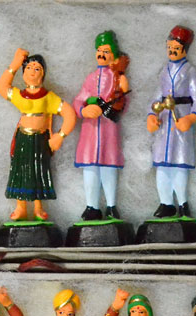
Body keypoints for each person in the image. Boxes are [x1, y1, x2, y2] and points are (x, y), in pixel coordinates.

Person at [0, 49, 76, 221]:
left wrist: (60, 135)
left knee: (38, 170)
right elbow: (2, 87)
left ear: (43, 74)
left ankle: (38, 208)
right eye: (28, 68)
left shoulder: (48, 97)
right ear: (23, 73)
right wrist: (15, 64)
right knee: (20, 171)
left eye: (37, 68)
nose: (32, 72)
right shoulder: (20, 96)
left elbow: (70, 114)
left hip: (40, 140)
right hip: (22, 138)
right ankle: (20, 207)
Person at [147, 25, 196, 218]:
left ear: (185, 49)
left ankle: (182, 203)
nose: (171, 51)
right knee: (162, 165)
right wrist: (151, 115)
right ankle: (166, 203)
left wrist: (191, 117)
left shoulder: (190, 71)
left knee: (179, 164)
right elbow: (156, 96)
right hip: (164, 121)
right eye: (169, 47)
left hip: (181, 120)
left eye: (176, 48)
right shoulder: (164, 71)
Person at [73, 30, 129, 221]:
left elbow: (123, 103)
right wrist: (83, 110)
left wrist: (121, 89)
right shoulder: (91, 77)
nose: (101, 55)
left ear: (113, 55)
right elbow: (79, 99)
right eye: (99, 51)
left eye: (106, 51)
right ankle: (92, 206)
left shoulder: (117, 77)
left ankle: (111, 206)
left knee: (108, 166)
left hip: (108, 129)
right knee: (90, 168)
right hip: (90, 131)